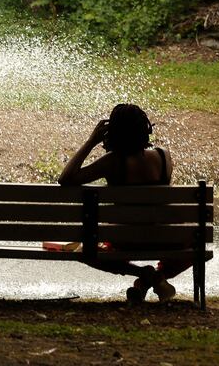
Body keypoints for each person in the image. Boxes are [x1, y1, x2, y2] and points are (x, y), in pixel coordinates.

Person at [57, 103, 189, 303]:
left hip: (124, 240)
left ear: (113, 132)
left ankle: (144, 275)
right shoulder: (164, 156)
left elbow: (66, 178)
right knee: (193, 244)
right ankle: (157, 278)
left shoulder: (113, 162)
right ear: (145, 129)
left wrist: (91, 141)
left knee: (85, 251)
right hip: (163, 238)